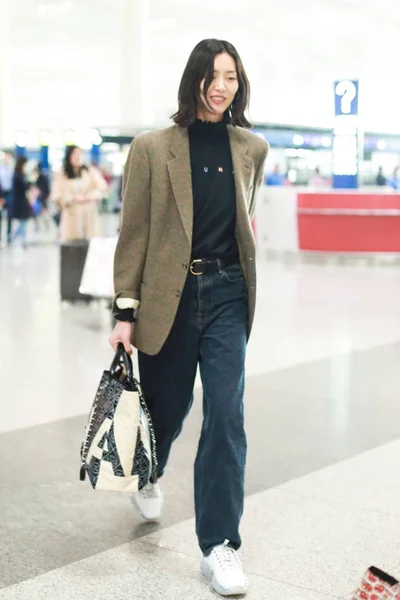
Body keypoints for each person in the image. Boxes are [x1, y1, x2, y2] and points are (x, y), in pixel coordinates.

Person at [109, 38, 269, 597]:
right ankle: (149, 471)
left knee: (226, 413)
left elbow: (245, 224)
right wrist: (125, 309)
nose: (222, 86)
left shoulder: (252, 147)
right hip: (169, 299)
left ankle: (220, 546)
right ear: (194, 80)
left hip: (227, 293)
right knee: (167, 409)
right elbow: (135, 235)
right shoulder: (153, 148)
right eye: (213, 76)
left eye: (231, 76)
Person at [51, 146, 108, 243]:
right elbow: (57, 195)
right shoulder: (62, 174)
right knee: (72, 248)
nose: (77, 157)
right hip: (71, 216)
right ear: (69, 156)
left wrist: (91, 196)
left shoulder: (90, 171)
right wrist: (73, 198)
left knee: (90, 246)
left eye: (80, 154)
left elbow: (102, 188)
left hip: (89, 214)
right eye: (74, 154)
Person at [10, 156, 32, 248]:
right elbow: (25, 187)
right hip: (20, 203)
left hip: (22, 202)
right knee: (22, 223)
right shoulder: (17, 175)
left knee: (23, 223)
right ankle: (13, 238)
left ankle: (19, 240)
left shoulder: (20, 175)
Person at [0, 151, 14, 244]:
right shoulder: (0, 170)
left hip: (10, 194)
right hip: (2, 193)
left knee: (10, 215)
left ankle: (9, 236)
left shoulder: (12, 170)